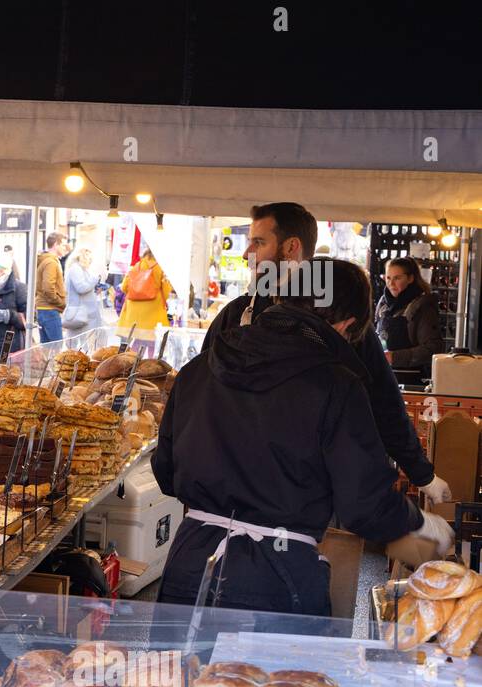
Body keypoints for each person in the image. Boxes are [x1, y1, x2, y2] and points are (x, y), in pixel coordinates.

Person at [153, 258, 450, 614]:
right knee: (279, 673)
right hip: (277, 577)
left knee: (182, 671)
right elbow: (363, 506)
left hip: (189, 564)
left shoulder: (199, 368)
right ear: (347, 325)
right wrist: (420, 523)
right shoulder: (338, 385)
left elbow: (166, 472)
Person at [204, 202, 448, 504]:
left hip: (307, 500)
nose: (245, 253)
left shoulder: (341, 318)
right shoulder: (237, 314)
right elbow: (201, 391)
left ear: (291, 247)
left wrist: (421, 473)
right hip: (230, 489)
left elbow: (383, 401)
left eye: (258, 242)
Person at [376, 256, 445, 384]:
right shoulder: (383, 304)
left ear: (410, 279)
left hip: (412, 380)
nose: (391, 283)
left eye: (397, 278)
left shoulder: (422, 307)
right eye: (388, 278)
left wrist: (395, 357)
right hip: (384, 376)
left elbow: (433, 347)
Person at [118, 246, 172, 349]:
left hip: (133, 313)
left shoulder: (136, 266)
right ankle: (148, 363)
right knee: (152, 343)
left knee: (136, 342)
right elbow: (166, 291)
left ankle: (134, 362)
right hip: (153, 312)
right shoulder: (160, 268)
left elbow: (124, 287)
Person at [34, 233, 70, 343]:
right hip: (50, 310)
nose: (66, 248)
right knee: (56, 348)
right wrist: (60, 303)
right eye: (63, 245)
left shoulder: (47, 260)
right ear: (55, 245)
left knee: (47, 349)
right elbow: (48, 288)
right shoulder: (51, 262)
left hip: (44, 309)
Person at [63, 248, 105, 336]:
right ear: (85, 257)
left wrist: (96, 288)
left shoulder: (82, 269)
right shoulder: (76, 269)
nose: (91, 262)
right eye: (90, 259)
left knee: (85, 342)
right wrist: (95, 279)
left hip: (85, 313)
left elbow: (86, 287)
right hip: (80, 313)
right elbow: (81, 287)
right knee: (79, 343)